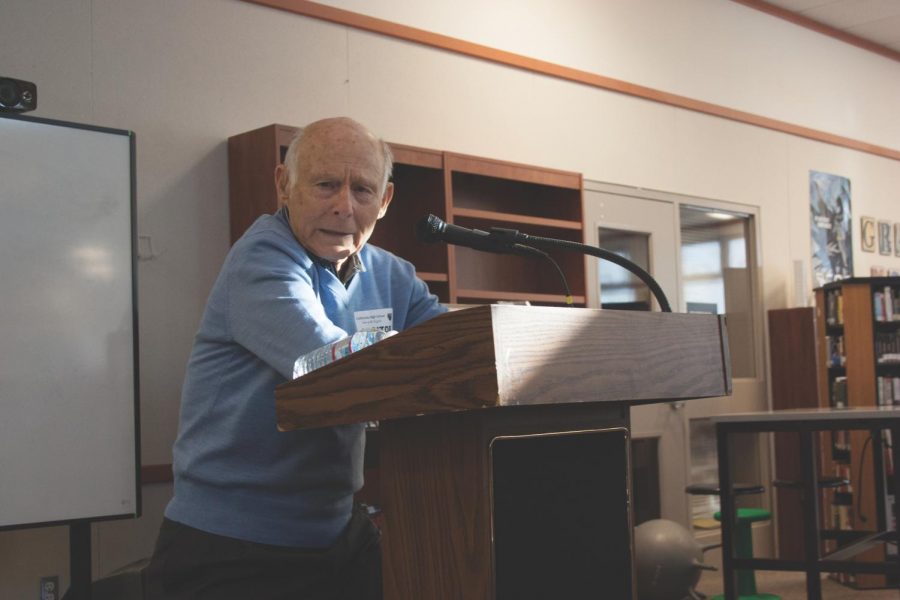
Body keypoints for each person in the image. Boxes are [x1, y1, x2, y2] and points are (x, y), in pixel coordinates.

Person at [145, 117, 446, 599]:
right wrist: (422, 356)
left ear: (385, 201)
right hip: (231, 546)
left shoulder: (393, 274)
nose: (344, 206)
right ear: (284, 185)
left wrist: (507, 330)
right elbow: (331, 363)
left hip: (336, 534)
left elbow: (455, 343)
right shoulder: (262, 258)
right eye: (326, 184)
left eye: (363, 191)